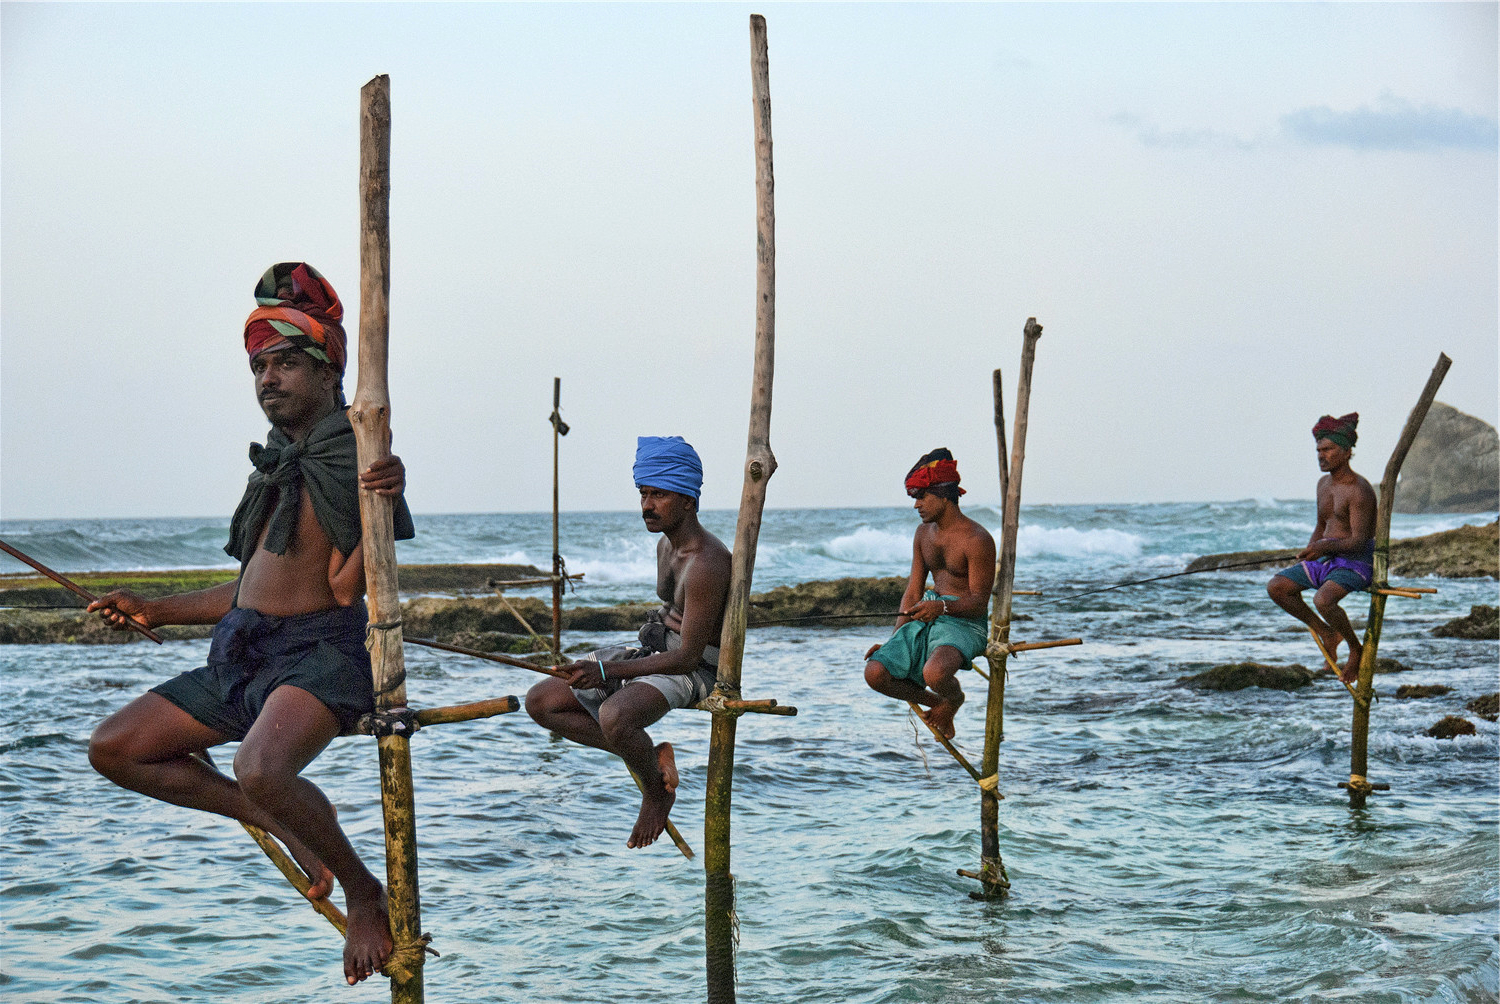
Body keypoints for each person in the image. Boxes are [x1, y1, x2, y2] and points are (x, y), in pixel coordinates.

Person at [85, 263, 414, 985]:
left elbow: (336, 587)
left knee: (262, 765)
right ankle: (281, 822)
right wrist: (156, 609)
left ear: (329, 372)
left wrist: (379, 507)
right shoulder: (276, 466)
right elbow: (251, 588)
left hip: (320, 658)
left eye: (287, 362)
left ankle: (365, 893)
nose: (268, 378)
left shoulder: (351, 454)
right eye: (260, 366)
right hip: (245, 655)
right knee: (114, 748)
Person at [525, 436, 730, 849]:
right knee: (540, 701)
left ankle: (656, 794)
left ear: (689, 500)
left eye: (659, 494)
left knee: (616, 717)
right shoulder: (665, 545)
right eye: (643, 493)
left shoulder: (709, 561)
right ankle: (651, 757)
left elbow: (688, 655)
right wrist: (608, 665)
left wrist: (605, 670)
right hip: (658, 654)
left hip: (694, 669)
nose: (646, 505)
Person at [863, 449, 996, 740]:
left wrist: (943, 609)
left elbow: (979, 604)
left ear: (944, 495)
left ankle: (955, 698)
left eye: (922, 496)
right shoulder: (922, 535)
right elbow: (913, 590)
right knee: (875, 673)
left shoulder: (978, 540)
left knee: (934, 674)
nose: (917, 505)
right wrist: (894, 638)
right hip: (928, 616)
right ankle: (941, 704)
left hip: (965, 623)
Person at [1267, 413, 1377, 684]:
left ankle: (1355, 647)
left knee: (1323, 600)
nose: (1321, 455)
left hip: (1355, 563)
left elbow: (1360, 541)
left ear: (1347, 452)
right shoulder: (1322, 485)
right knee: (1277, 587)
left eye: (1328, 450)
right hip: (1326, 560)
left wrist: (1325, 546)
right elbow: (1321, 525)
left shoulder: (1359, 490)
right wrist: (1311, 549)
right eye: (1318, 450)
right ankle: (1328, 633)